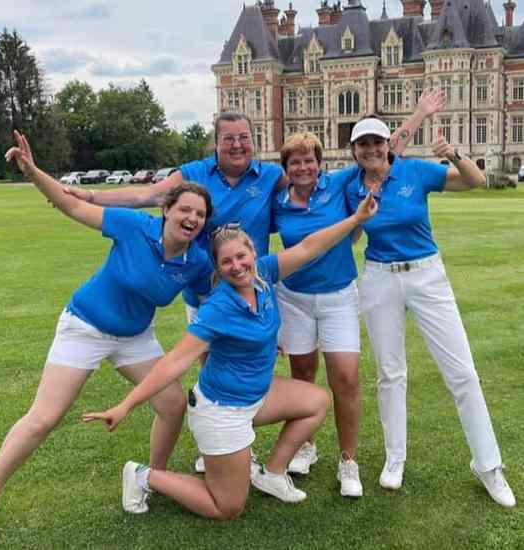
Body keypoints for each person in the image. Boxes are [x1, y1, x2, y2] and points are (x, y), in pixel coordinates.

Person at [67, 93, 446, 473]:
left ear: (254, 141)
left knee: (247, 367)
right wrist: (90, 194)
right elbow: (145, 194)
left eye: (244, 137)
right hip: (203, 288)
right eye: (229, 138)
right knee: (211, 370)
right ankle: (218, 445)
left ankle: (244, 445)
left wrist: (417, 117)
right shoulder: (196, 172)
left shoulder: (269, 177)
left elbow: (375, 156)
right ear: (216, 142)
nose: (237, 144)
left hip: (252, 286)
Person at [0, 132, 215, 550]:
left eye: (200, 214)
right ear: (166, 209)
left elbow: (211, 303)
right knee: (44, 418)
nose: (192, 218)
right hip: (84, 326)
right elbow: (71, 204)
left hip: (135, 338)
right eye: (185, 209)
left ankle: (149, 478)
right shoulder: (135, 227)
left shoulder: (197, 263)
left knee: (173, 404)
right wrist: (32, 171)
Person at [82, 192, 378, 520]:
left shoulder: (263, 274)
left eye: (242, 256)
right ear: (218, 269)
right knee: (227, 507)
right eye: (226, 262)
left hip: (257, 395)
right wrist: (126, 405)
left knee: (317, 401)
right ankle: (143, 475)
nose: (237, 267)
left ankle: (273, 472)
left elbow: (310, 247)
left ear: (253, 252)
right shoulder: (217, 308)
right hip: (221, 411)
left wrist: (356, 219)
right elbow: (175, 362)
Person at [344, 118, 516, 508]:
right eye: (362, 144)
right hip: (379, 278)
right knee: (390, 373)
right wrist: (359, 218)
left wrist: (454, 153)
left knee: (462, 372)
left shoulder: (414, 170)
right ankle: (395, 458)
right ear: (354, 150)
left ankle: (488, 466)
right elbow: (352, 236)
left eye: (376, 142)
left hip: (425, 275)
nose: (369, 149)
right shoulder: (351, 183)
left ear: (389, 143)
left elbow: (475, 182)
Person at [272, 133, 361, 497]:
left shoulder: (338, 183)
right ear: (286, 168)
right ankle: (306, 446)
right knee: (303, 375)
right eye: (295, 162)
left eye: (309, 160)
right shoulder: (278, 202)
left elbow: (382, 154)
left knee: (346, 378)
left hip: (338, 295)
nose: (303, 167)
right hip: (293, 298)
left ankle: (348, 462)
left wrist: (418, 115)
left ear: (319, 163)